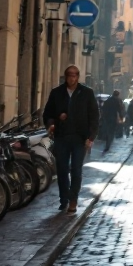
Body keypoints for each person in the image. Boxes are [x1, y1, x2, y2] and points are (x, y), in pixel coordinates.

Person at [41, 65, 99, 214]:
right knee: (61, 169)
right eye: (69, 75)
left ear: (78, 77)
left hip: (80, 138)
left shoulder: (87, 93)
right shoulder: (57, 93)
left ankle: (73, 199)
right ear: (65, 76)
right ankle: (63, 199)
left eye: (74, 75)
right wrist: (53, 122)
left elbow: (94, 116)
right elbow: (48, 113)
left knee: (76, 170)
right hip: (62, 137)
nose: (72, 77)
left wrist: (91, 137)